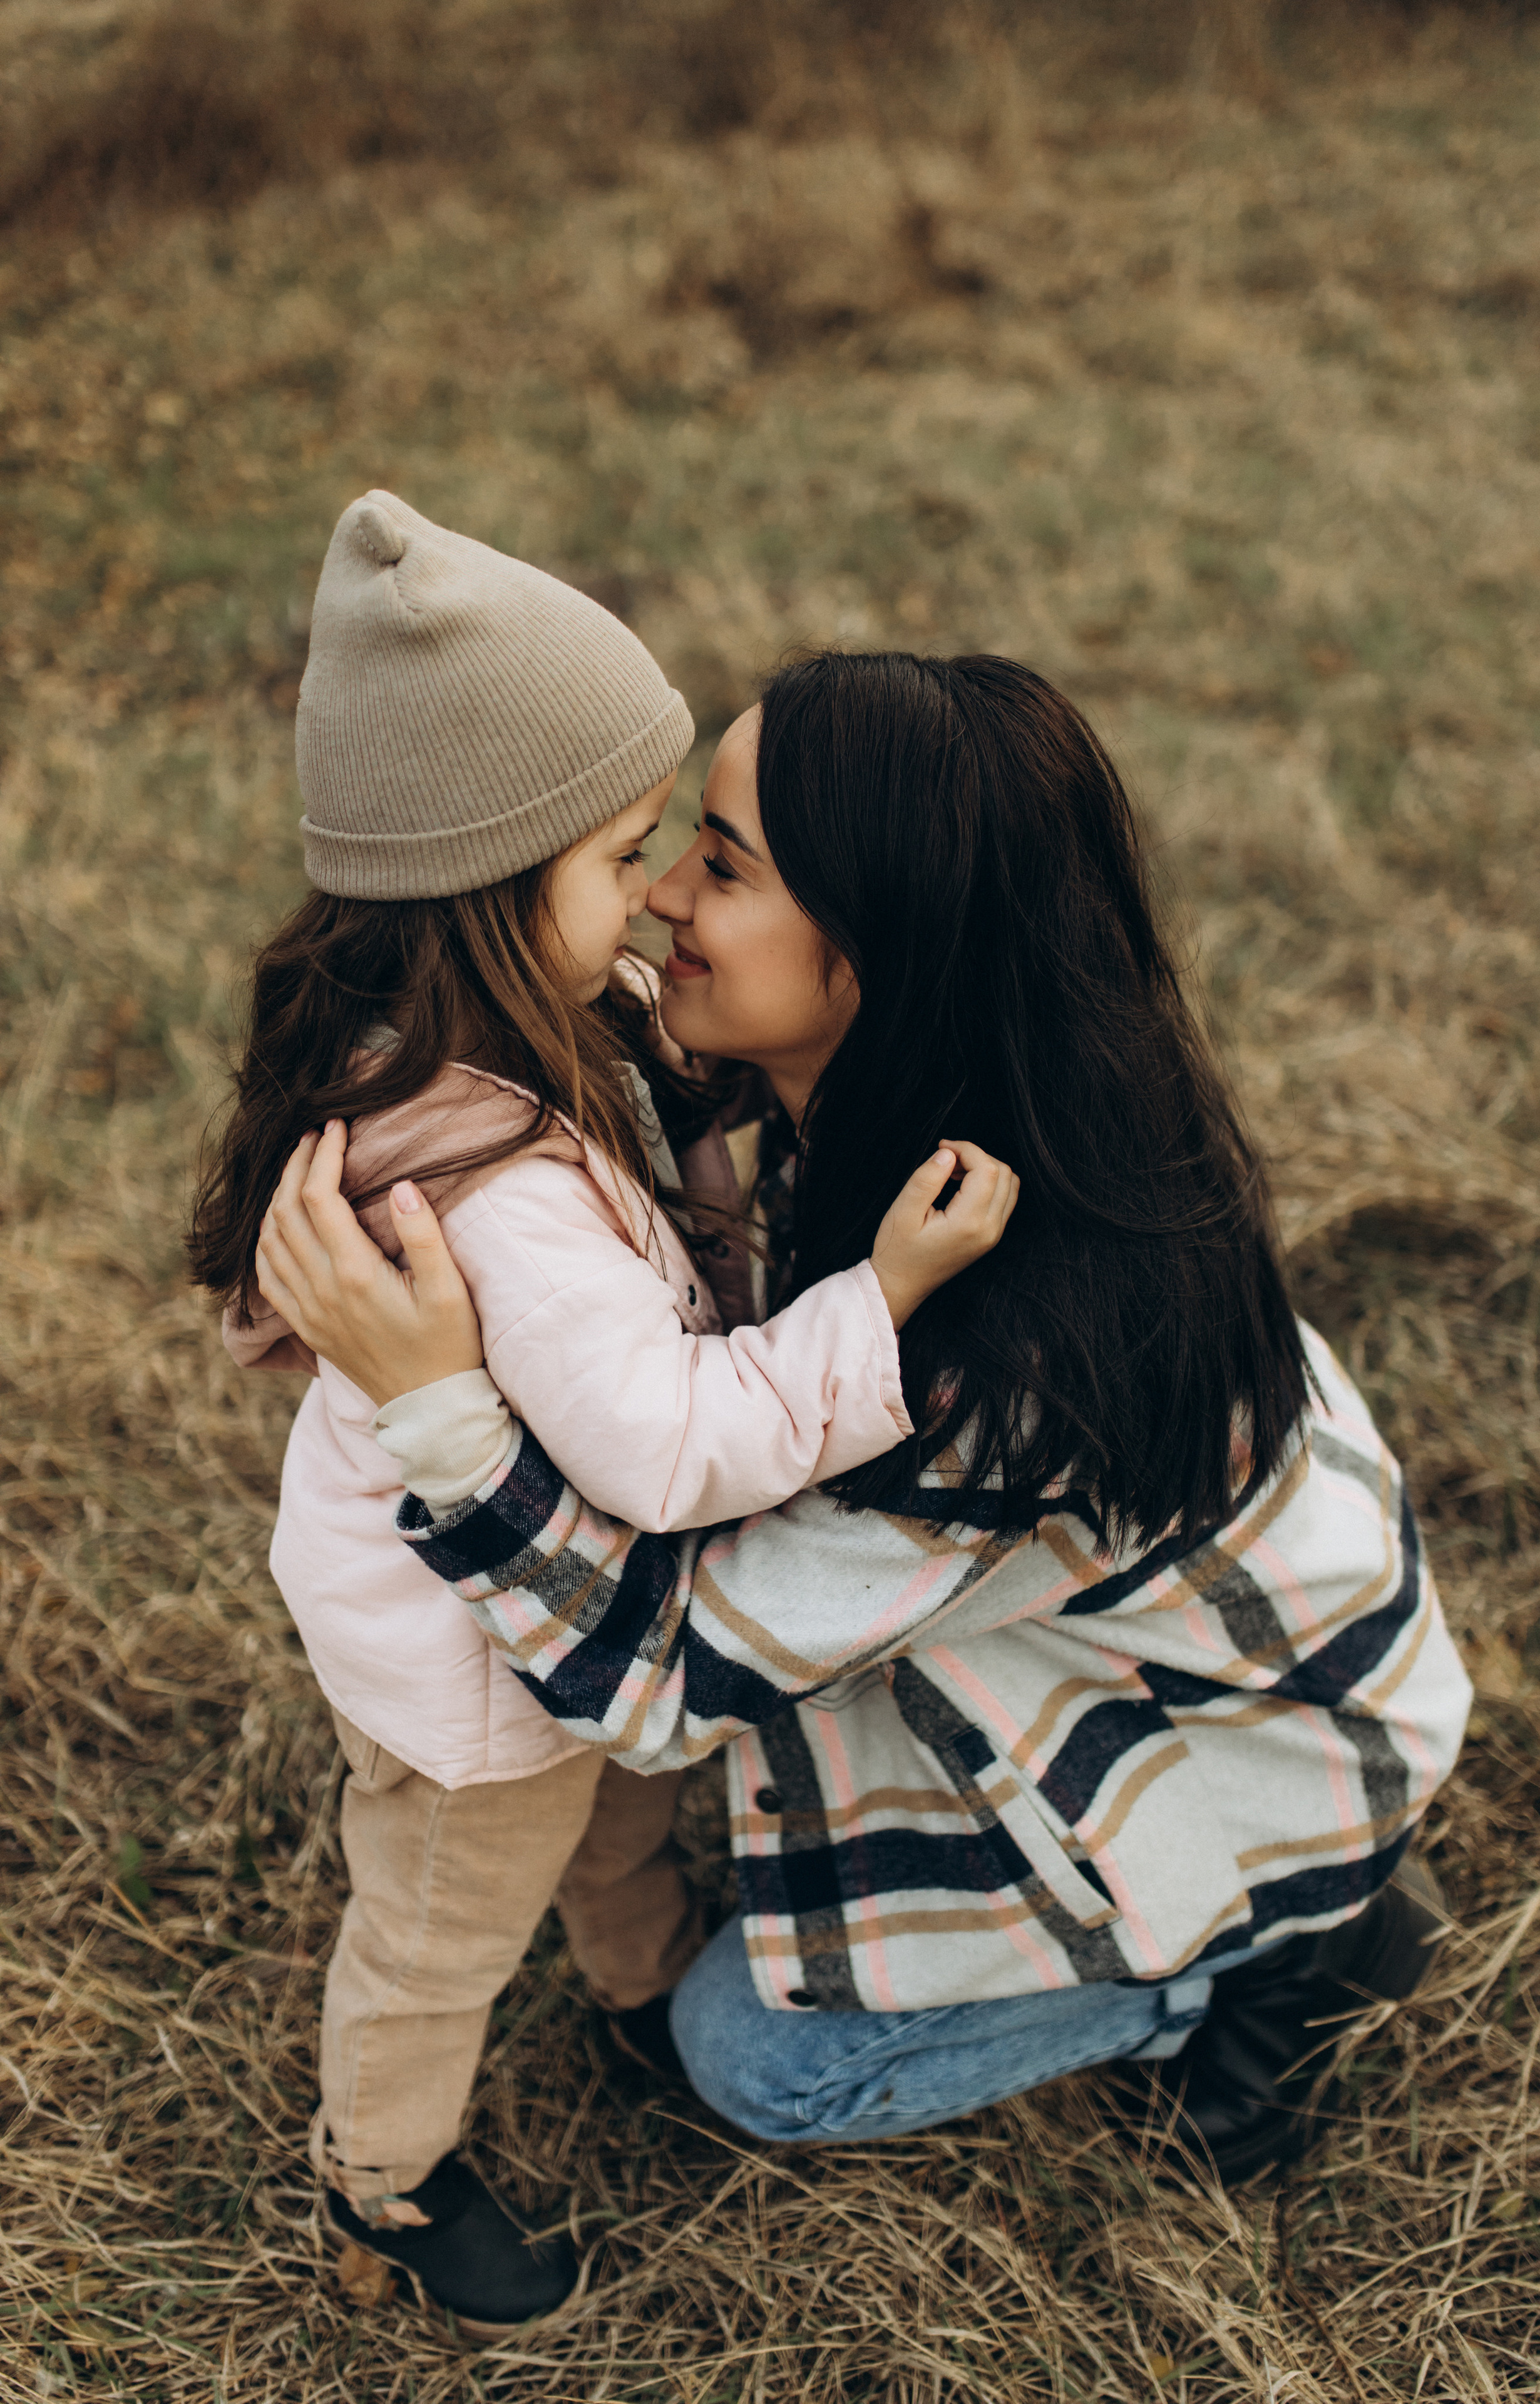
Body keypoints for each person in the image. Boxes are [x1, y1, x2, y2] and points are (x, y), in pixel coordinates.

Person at [257, 649, 1472, 2228]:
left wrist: (434, 1406)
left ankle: (1287, 1949)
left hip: (1251, 1731)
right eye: (672, 846)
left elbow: (653, 1682)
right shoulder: (923, 1106)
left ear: (883, 945)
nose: (660, 898)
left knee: (761, 2061)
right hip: (1108, 1629)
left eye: (722, 864)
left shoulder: (1010, 1357)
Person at [192, 498, 1017, 2341]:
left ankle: (639, 1983)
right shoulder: (502, 1198)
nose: (652, 896)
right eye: (621, 856)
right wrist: (875, 1299)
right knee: (437, 1935)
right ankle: (383, 2174)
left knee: (623, 1814)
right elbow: (666, 1445)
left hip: (552, 1617)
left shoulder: (496, 1031)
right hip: (471, 1670)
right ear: (492, 889)